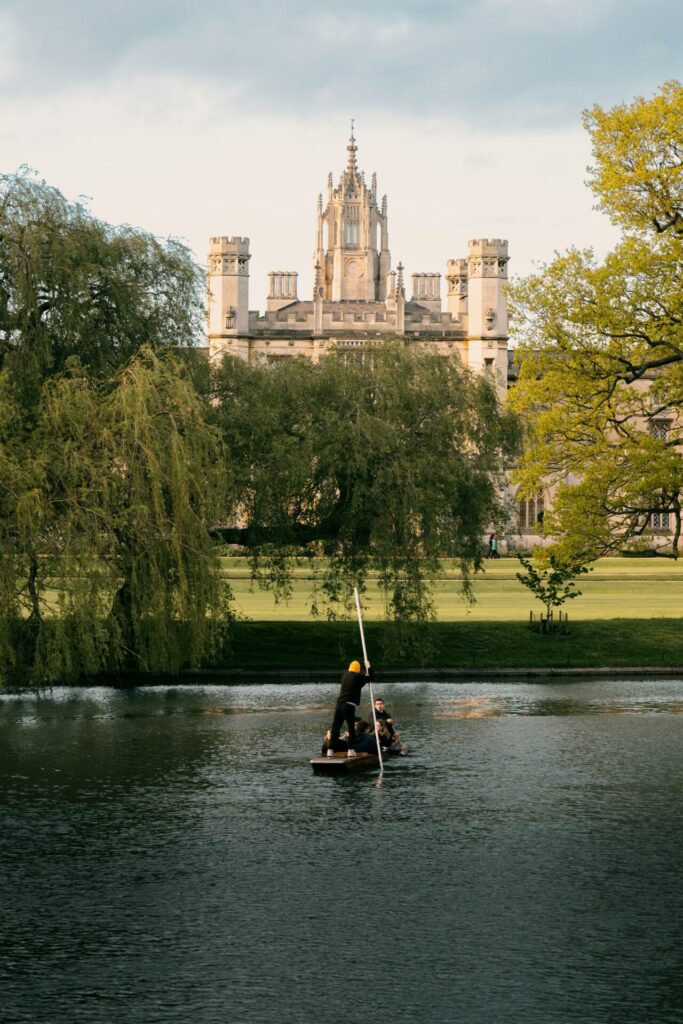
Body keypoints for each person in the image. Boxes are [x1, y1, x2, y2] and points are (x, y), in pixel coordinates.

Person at [326, 658, 374, 758]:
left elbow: (359, 681)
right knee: (351, 728)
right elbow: (371, 677)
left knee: (335, 727)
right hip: (349, 705)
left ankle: (330, 749)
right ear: (358, 669)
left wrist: (364, 675)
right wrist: (368, 666)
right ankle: (351, 750)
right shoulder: (357, 677)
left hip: (339, 704)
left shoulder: (345, 676)